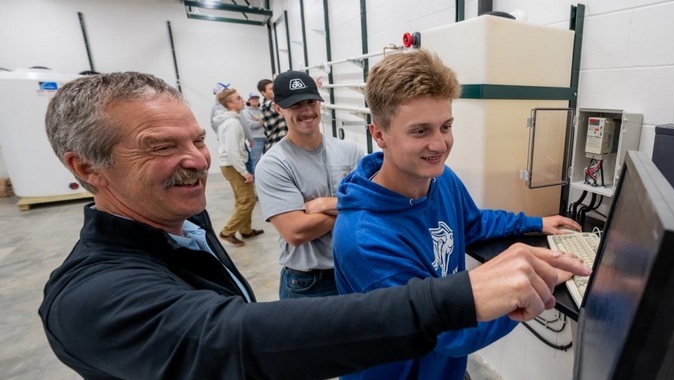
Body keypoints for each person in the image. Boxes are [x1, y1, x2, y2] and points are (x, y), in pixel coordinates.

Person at [38, 71, 590, 379]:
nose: (200, 161)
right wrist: (492, 297)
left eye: (199, 141)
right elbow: (232, 339)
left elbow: (470, 221)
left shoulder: (181, 224)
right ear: (85, 168)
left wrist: (534, 221)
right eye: (162, 147)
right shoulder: (89, 296)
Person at [332, 49, 583, 380]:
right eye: (420, 131)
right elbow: (449, 334)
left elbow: (473, 223)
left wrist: (536, 223)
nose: (440, 144)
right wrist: (531, 288)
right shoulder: (366, 239)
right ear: (379, 134)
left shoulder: (439, 178)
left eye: (446, 126)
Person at [255, 71, 364, 299]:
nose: (306, 111)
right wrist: (350, 207)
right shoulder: (274, 164)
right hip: (310, 284)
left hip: (355, 272)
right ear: (278, 109)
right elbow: (295, 231)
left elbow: (370, 204)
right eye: (295, 105)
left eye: (311, 102)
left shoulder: (350, 151)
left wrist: (325, 204)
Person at [214, 87, 263, 245]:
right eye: (238, 98)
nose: (243, 100)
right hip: (233, 165)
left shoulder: (230, 120)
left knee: (242, 199)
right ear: (230, 104)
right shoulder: (232, 123)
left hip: (231, 164)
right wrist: (244, 172)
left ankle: (246, 231)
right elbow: (232, 151)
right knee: (248, 200)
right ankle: (227, 232)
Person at [257, 78, 288, 151]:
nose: (275, 90)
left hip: (283, 145)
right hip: (278, 145)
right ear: (263, 93)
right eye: (271, 89)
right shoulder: (267, 105)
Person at [241, 92, 265, 174]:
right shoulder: (246, 112)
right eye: (253, 99)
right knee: (255, 161)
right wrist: (262, 121)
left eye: (257, 98)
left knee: (269, 160)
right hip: (256, 139)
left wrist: (258, 121)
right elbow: (251, 125)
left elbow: (269, 121)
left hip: (267, 138)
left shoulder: (262, 110)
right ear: (249, 100)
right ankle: (254, 180)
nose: (255, 100)